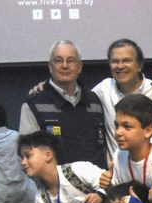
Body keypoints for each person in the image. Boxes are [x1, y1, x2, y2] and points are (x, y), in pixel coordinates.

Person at [19, 40, 107, 168]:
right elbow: (28, 156)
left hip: (96, 180)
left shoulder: (95, 101)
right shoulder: (34, 104)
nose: (65, 66)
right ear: (50, 66)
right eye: (58, 60)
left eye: (71, 60)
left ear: (80, 67)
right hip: (56, 181)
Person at [92, 39, 152, 159]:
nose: (120, 66)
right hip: (117, 168)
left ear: (139, 65)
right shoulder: (103, 89)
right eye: (115, 61)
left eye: (127, 60)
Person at [107, 94, 152, 189]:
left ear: (148, 131)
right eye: (117, 126)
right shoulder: (119, 154)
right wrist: (107, 186)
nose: (118, 132)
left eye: (127, 126)